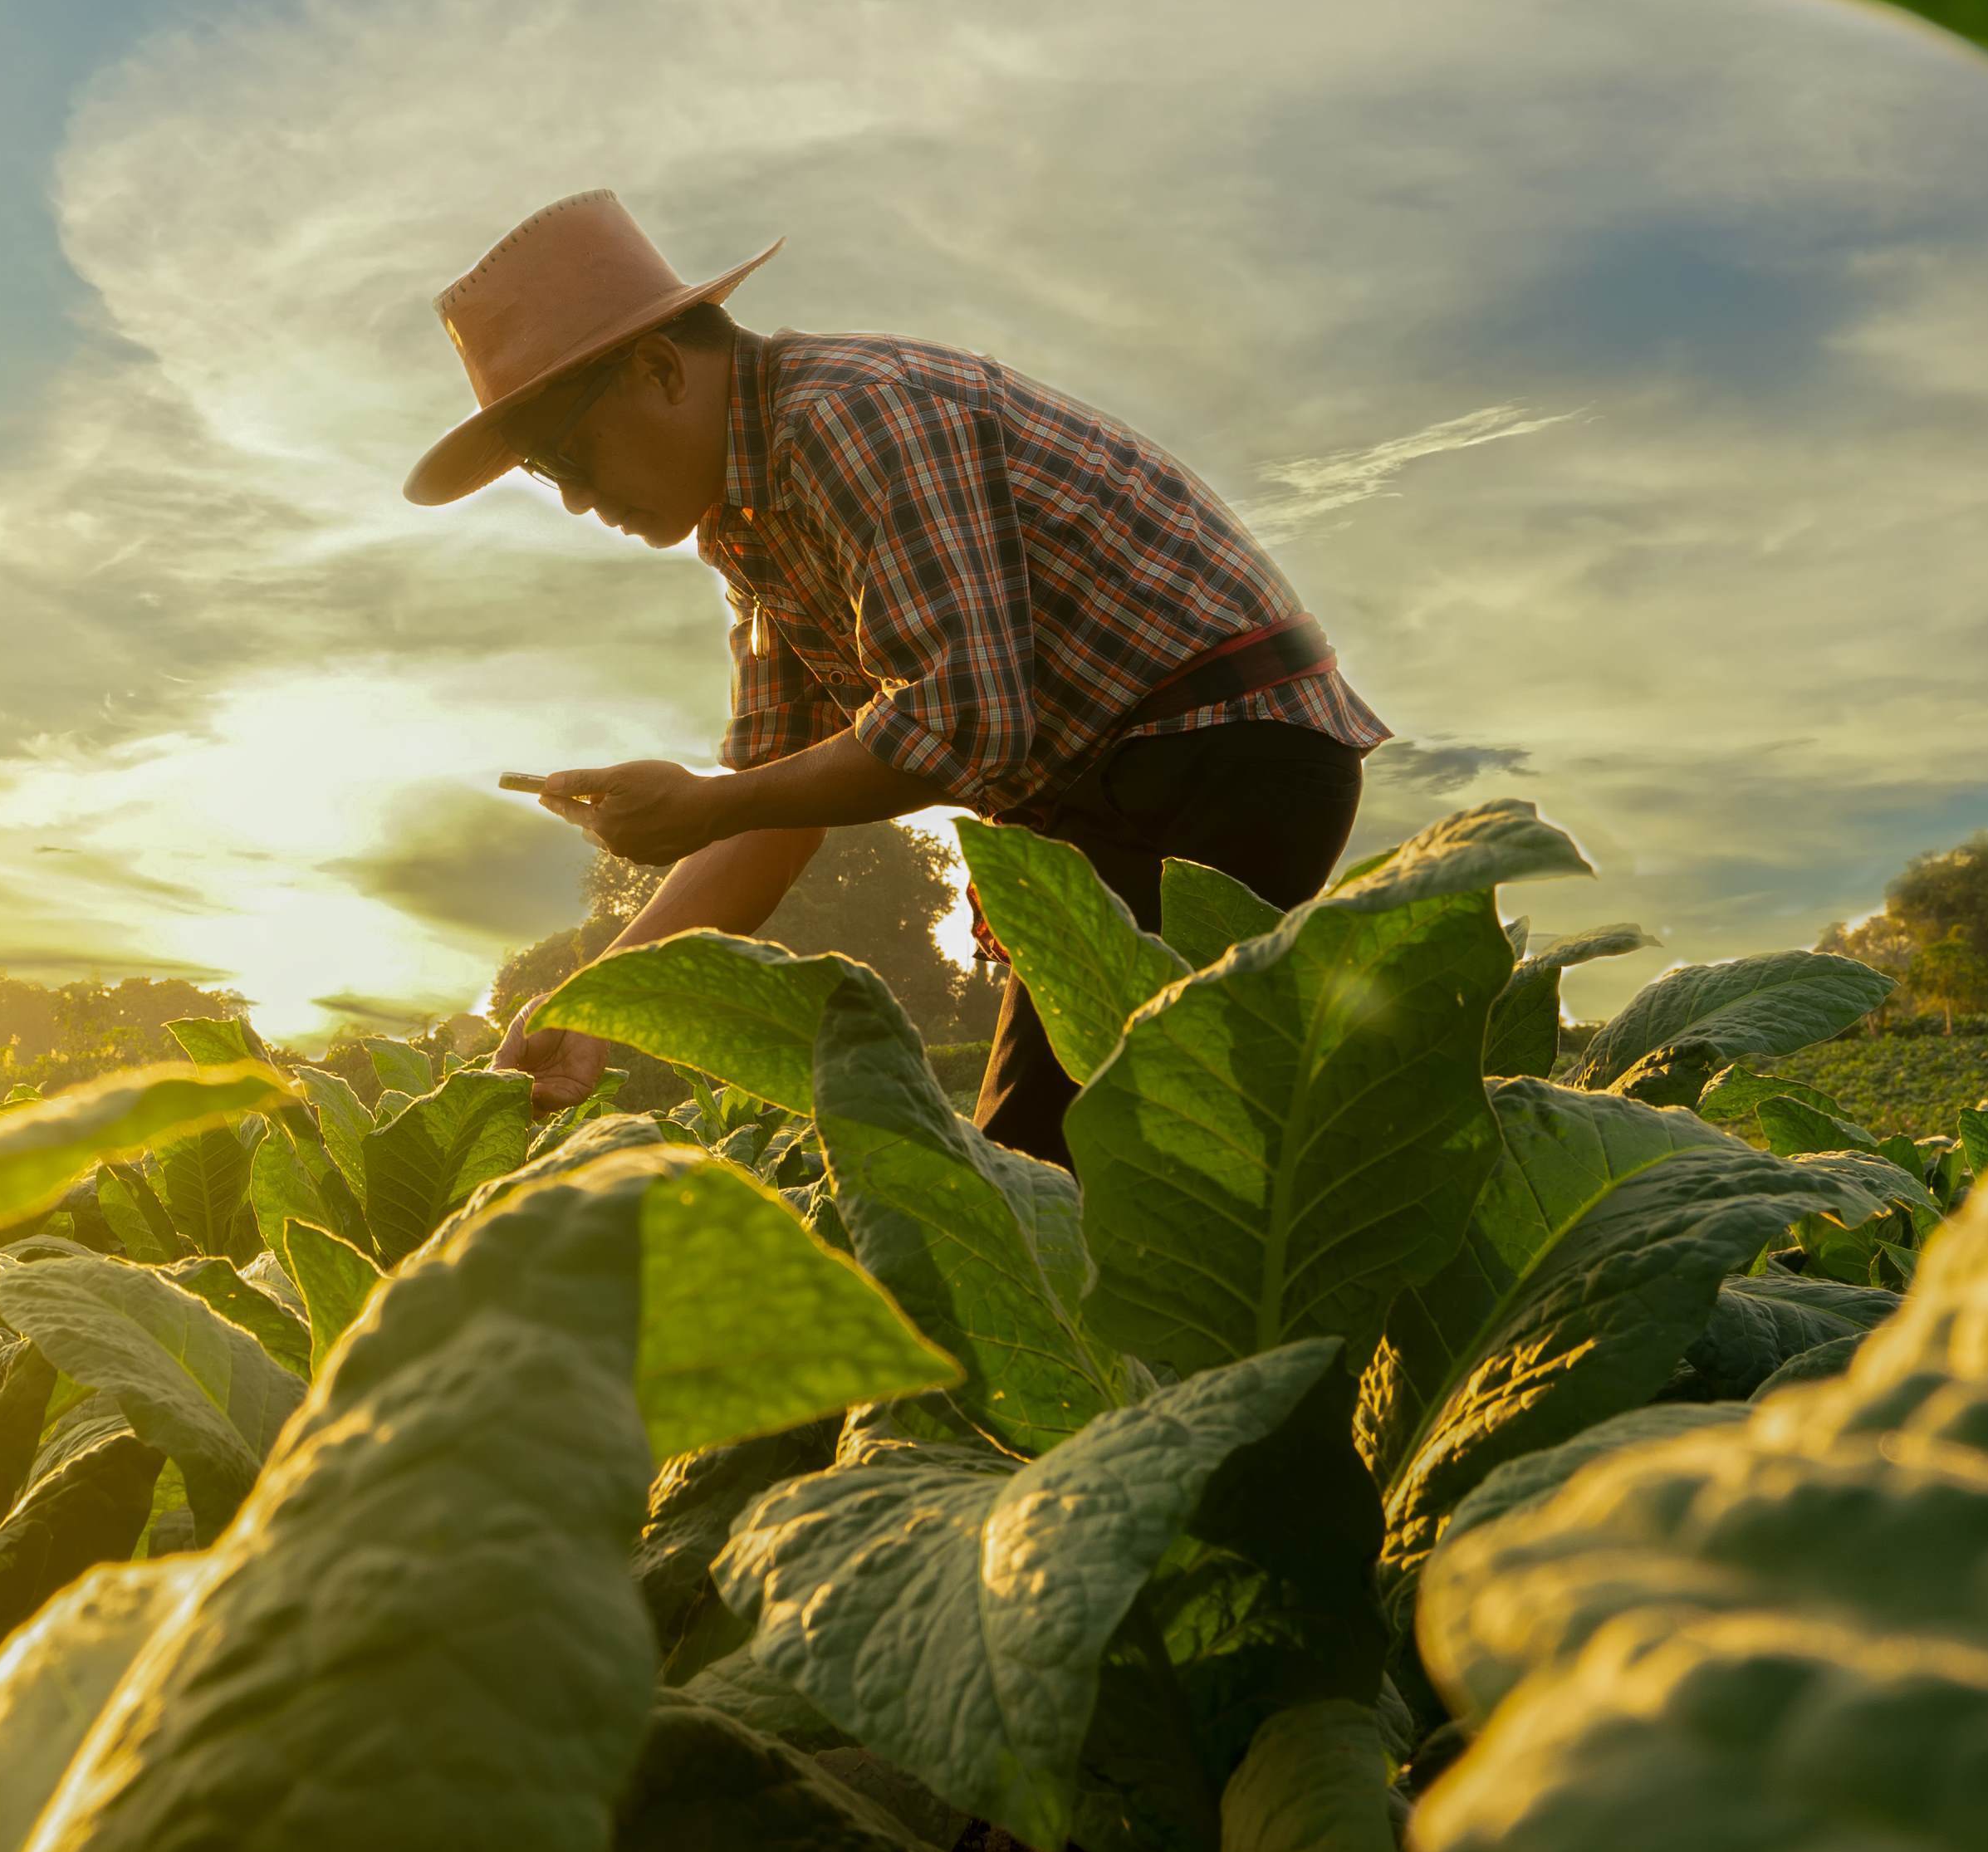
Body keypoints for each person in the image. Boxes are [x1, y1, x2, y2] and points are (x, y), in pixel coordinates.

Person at [409, 189, 1382, 1161]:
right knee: (1069, 1171)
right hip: (1114, 800)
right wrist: (601, 998)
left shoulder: (850, 414)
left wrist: (709, 805)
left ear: (659, 368)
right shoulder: (750, 520)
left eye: (567, 457)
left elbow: (960, 726)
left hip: (1218, 754)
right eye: (547, 473)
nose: (577, 500)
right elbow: (770, 809)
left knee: (1062, 1176)